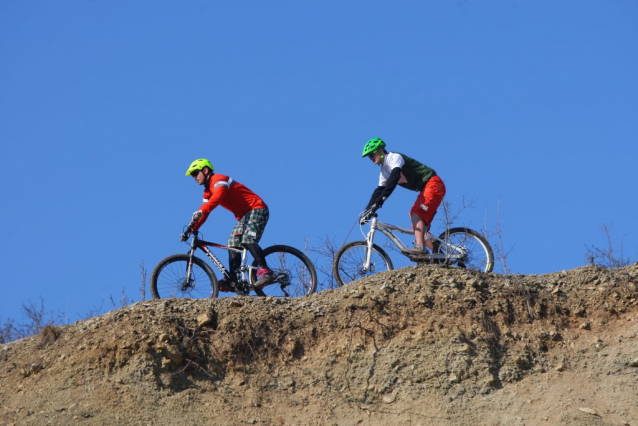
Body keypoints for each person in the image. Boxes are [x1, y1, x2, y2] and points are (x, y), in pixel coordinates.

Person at [181, 158, 275, 291]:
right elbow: (205, 212)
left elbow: (217, 198)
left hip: (257, 208)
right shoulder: (207, 192)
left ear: (205, 170)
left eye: (195, 173)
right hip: (244, 216)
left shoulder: (219, 179)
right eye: (192, 175)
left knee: (248, 239)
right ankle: (234, 278)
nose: (194, 177)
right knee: (232, 243)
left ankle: (267, 272)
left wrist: (202, 210)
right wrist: (193, 228)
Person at [360, 138, 446, 254]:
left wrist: (381, 200)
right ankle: (440, 255)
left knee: (416, 214)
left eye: (372, 154)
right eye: (369, 157)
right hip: (426, 188)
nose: (370, 158)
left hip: (433, 183)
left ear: (380, 150)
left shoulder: (394, 158)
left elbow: (394, 178)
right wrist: (367, 211)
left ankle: (420, 249)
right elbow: (378, 191)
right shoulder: (384, 171)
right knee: (417, 226)